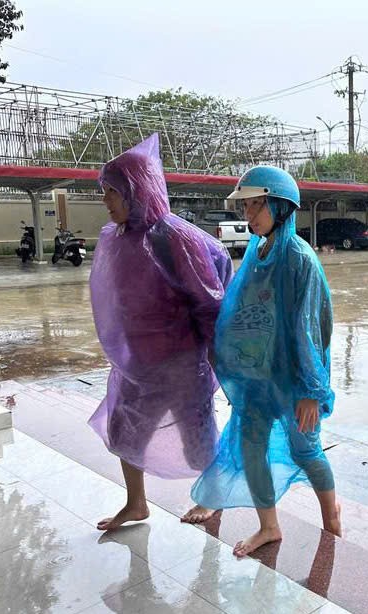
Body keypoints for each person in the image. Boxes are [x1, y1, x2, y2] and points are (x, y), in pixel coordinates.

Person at [187, 166, 340, 557]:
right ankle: (269, 526)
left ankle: (332, 514)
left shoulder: (299, 259)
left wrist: (310, 390)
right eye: (247, 206)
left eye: (257, 206)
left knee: (306, 450)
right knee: (251, 446)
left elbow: (312, 328)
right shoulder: (258, 250)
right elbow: (239, 308)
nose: (248, 215)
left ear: (280, 206)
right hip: (257, 375)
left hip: (293, 380)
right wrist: (224, 351)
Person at [88, 133, 233, 531]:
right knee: (123, 429)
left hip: (182, 362)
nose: (106, 201)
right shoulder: (115, 238)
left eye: (111, 192)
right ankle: (137, 504)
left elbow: (208, 301)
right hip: (136, 362)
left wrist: (217, 355)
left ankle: (211, 497)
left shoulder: (174, 236)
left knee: (196, 435)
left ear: (135, 192)